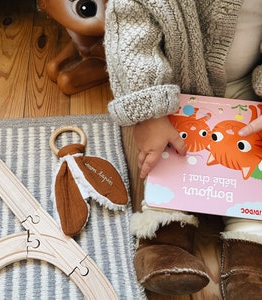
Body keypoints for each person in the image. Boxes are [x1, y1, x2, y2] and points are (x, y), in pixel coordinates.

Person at [104, 0, 262, 298]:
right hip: (172, 92)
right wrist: (150, 110)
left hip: (249, 93)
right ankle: (166, 237)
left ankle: (251, 250)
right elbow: (131, 28)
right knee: (166, 160)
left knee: (255, 172)